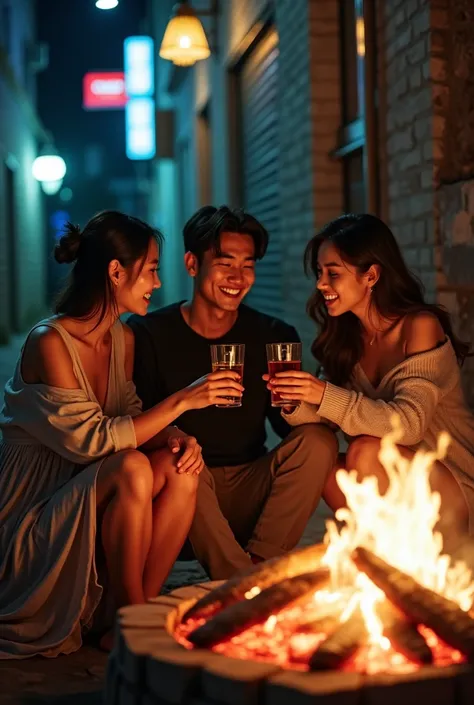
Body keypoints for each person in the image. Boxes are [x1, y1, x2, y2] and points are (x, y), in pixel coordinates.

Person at [0, 210, 246, 659]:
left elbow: (129, 415)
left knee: (180, 466)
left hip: (87, 497)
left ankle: (129, 617)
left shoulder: (123, 339)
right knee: (132, 466)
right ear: (116, 272)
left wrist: (176, 436)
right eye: (151, 269)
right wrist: (183, 400)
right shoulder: (49, 342)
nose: (157, 283)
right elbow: (92, 441)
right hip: (32, 521)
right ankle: (133, 616)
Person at [128, 205, 338, 580]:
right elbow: (134, 424)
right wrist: (178, 428)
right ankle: (242, 583)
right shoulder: (148, 334)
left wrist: (301, 401)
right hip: (182, 490)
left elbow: (293, 434)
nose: (237, 277)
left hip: (250, 488)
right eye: (225, 263)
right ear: (192, 264)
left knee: (318, 441)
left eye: (248, 265)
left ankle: (258, 565)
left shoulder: (274, 335)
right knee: (178, 458)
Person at [267, 213, 474, 540]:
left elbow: (408, 425)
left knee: (363, 451)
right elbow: (326, 421)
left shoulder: (418, 327)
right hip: (396, 490)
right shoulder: (346, 339)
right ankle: (391, 560)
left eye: (332, 273)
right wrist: (294, 400)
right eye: (319, 273)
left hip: (455, 489)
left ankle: (398, 556)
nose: (321, 284)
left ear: (371, 276)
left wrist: (321, 393)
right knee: (321, 464)